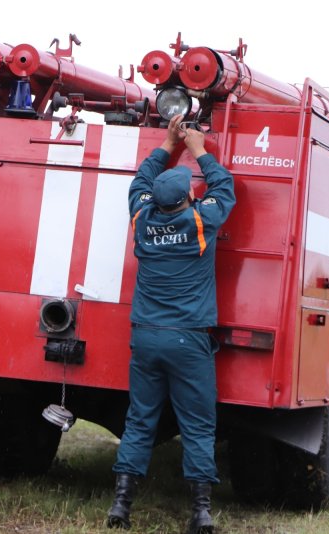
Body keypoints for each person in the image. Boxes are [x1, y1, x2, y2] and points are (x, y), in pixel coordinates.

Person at [106, 114, 235, 532]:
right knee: (197, 425)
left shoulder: (142, 220)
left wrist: (166, 143)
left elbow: (140, 181)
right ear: (188, 198)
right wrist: (197, 147)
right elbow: (224, 185)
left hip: (145, 338)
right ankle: (199, 513)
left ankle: (121, 507)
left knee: (140, 420)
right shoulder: (201, 222)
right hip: (188, 341)